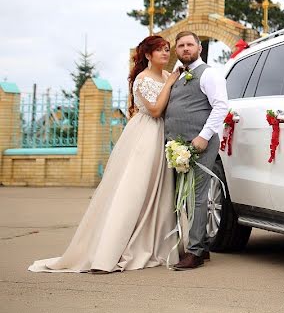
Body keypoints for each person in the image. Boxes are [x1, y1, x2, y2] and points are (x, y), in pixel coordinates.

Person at [29, 35, 180, 273]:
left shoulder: (167, 75)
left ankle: (154, 241)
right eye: (160, 50)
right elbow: (154, 109)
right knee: (134, 188)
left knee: (158, 191)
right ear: (148, 55)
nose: (165, 53)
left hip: (163, 135)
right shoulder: (143, 78)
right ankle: (111, 247)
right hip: (145, 137)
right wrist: (171, 83)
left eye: (167, 49)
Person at [165, 30, 228, 271]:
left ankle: (195, 252)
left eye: (190, 44)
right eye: (180, 45)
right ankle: (199, 245)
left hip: (199, 143)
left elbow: (221, 106)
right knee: (185, 197)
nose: (185, 49)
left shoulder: (209, 74)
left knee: (197, 196)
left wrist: (203, 136)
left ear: (199, 48)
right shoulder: (179, 76)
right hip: (178, 147)